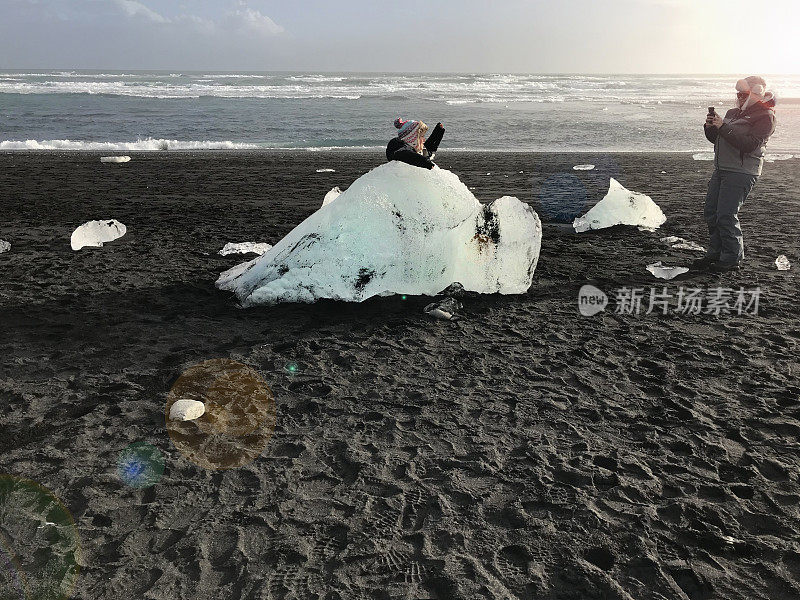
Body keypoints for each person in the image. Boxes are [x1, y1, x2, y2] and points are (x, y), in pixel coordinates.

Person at [696, 75, 777, 272]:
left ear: (756, 93)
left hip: (742, 171)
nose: (739, 98)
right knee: (711, 212)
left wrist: (723, 126)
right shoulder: (734, 112)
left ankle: (732, 257)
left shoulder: (766, 116)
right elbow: (718, 139)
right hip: (722, 168)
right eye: (738, 94)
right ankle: (715, 252)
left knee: (726, 214)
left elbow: (748, 145)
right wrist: (710, 127)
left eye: (744, 94)